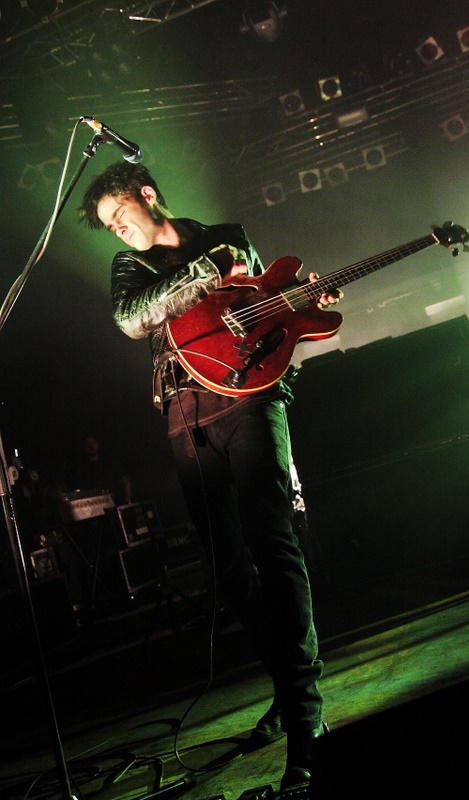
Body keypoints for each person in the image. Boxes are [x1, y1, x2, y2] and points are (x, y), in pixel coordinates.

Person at [79, 161, 342, 794]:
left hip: (252, 400)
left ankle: (306, 718)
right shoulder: (130, 270)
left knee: (274, 547)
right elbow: (132, 318)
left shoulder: (229, 234)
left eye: (121, 215)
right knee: (229, 567)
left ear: (148, 196)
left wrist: (303, 304)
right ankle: (287, 688)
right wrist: (203, 274)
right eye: (109, 228)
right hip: (183, 417)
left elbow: (264, 311)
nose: (120, 232)